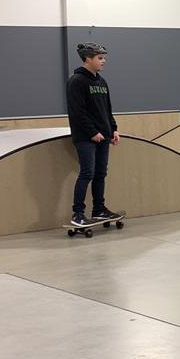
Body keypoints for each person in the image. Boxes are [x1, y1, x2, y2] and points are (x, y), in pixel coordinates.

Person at [66, 41, 121, 228]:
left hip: (103, 136)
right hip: (86, 138)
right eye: (99, 58)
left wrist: (113, 129)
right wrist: (92, 132)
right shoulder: (76, 81)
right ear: (87, 58)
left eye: (104, 58)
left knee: (100, 173)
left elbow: (107, 109)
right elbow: (77, 112)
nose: (103, 61)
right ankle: (78, 213)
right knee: (87, 173)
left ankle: (98, 209)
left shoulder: (102, 81)